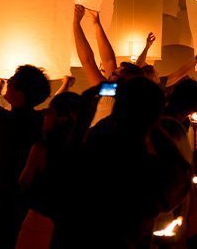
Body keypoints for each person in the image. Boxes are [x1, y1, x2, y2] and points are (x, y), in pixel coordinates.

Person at [54, 77, 191, 247]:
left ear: (117, 107)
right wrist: (152, 123)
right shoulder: (149, 169)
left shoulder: (96, 152)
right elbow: (182, 176)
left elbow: (64, 173)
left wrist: (82, 122)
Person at [0, 65, 50, 249]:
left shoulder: (1, 119)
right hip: (27, 210)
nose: (7, 83)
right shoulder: (43, 121)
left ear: (20, 93)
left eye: (11, 82)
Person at [15, 92, 89, 249]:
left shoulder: (42, 149)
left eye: (49, 112)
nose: (44, 116)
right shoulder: (88, 148)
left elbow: (23, 184)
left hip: (39, 222)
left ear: (61, 118)